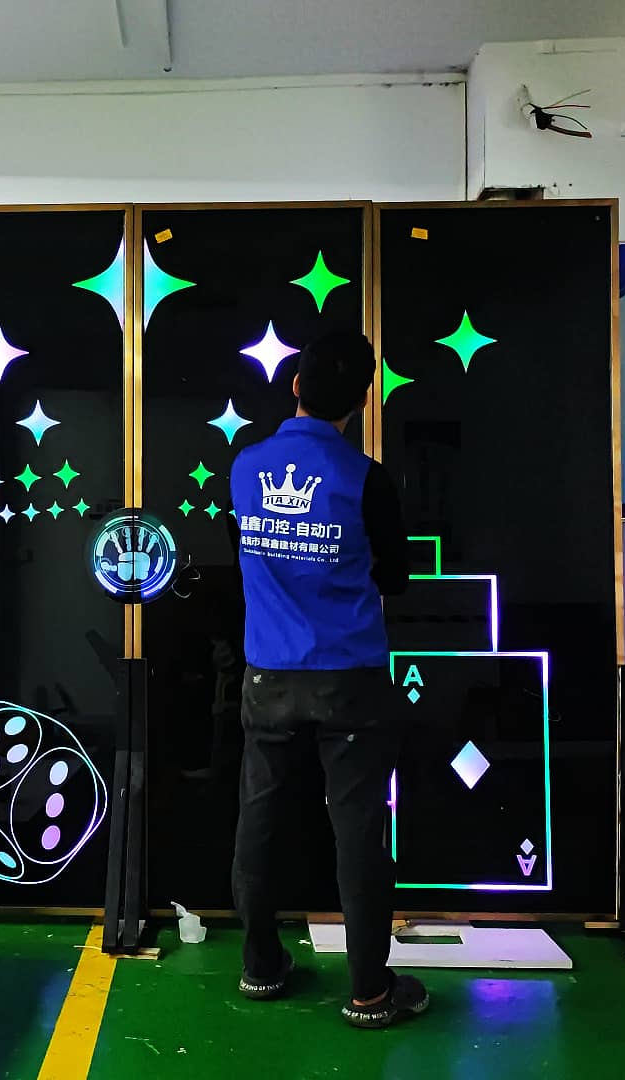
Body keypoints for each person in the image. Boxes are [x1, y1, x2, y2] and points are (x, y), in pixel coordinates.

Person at [227, 330, 426, 1029]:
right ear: (363, 401)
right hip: (350, 682)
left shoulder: (245, 466)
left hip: (268, 679)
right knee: (358, 833)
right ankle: (369, 992)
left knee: (259, 821)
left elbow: (243, 550)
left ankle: (261, 967)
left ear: (295, 386)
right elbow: (396, 579)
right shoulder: (368, 479)